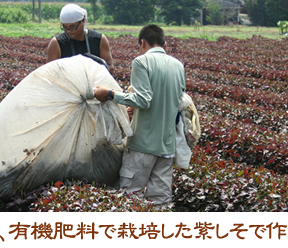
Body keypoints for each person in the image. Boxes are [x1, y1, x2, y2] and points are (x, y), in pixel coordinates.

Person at [94, 24, 186, 207]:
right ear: (164, 45)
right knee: (160, 201)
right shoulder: (178, 66)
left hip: (143, 146)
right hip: (167, 147)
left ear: (142, 43)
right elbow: (178, 100)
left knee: (130, 198)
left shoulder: (141, 62)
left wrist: (110, 94)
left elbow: (144, 100)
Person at [46, 3, 113, 71]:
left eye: (72, 27)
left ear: (83, 21)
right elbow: (50, 72)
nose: (68, 31)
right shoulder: (57, 43)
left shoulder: (99, 39)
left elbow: (110, 67)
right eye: (65, 27)